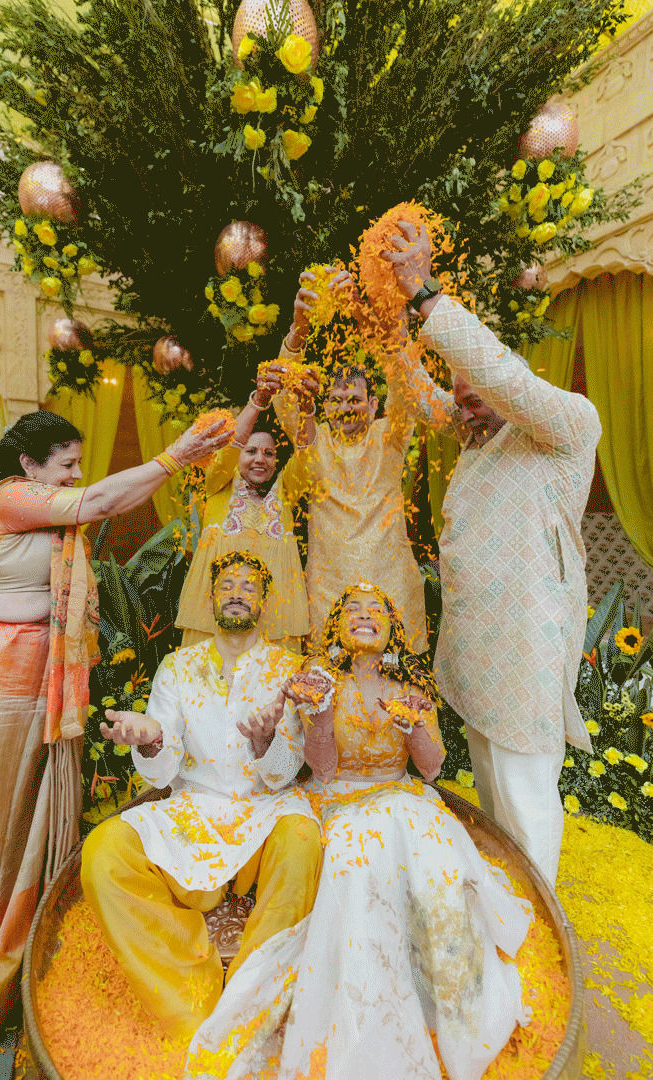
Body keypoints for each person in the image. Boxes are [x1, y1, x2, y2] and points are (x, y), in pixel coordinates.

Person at [0, 408, 232, 1014]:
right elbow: (100, 502)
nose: (74, 476)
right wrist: (175, 454)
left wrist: (187, 456)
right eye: (66, 464)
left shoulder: (42, 508)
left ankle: (2, 961)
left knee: (12, 826)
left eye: (76, 464)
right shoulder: (13, 496)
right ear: (29, 464)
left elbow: (104, 500)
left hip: (30, 696)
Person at [185, 583, 532, 1080]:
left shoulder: (412, 689)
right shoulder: (319, 683)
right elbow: (322, 771)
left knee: (436, 859)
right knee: (357, 862)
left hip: (406, 797)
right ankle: (368, 1013)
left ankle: (451, 1006)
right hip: (340, 802)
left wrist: (413, 725)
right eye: (352, 609)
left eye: (376, 610)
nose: (364, 615)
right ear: (336, 628)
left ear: (393, 629)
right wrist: (320, 715)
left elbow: (432, 770)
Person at [382, 220, 601, 885]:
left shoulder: (564, 426)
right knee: (494, 806)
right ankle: (507, 910)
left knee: (527, 798)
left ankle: (543, 932)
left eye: (478, 394)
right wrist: (389, 330)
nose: (465, 406)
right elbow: (424, 396)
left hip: (527, 652)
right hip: (478, 652)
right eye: (462, 396)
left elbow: (498, 375)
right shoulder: (479, 441)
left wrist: (424, 294)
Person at [81, 551, 322, 1046]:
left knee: (302, 842)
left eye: (248, 585)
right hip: (195, 812)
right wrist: (148, 736)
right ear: (211, 597)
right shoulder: (177, 665)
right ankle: (192, 1005)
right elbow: (164, 764)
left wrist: (264, 743)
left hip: (265, 811)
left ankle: (249, 1003)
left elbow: (285, 773)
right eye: (227, 583)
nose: (236, 591)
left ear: (264, 600)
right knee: (103, 853)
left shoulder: (290, 669)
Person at [270, 271, 428, 651]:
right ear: (324, 407)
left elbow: (404, 386)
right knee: (332, 691)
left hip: (390, 580)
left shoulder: (388, 437)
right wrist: (297, 331)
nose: (346, 409)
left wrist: (363, 317)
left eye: (355, 400)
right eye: (336, 401)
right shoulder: (313, 438)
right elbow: (281, 398)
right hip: (330, 585)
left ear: (374, 405)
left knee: (396, 691)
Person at [176, 366, 313, 650]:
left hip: (277, 614)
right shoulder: (218, 482)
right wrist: (259, 401)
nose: (259, 459)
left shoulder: (286, 491)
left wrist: (307, 408)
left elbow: (307, 455)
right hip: (214, 612)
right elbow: (231, 445)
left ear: (276, 461)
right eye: (251, 451)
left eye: (268, 453)